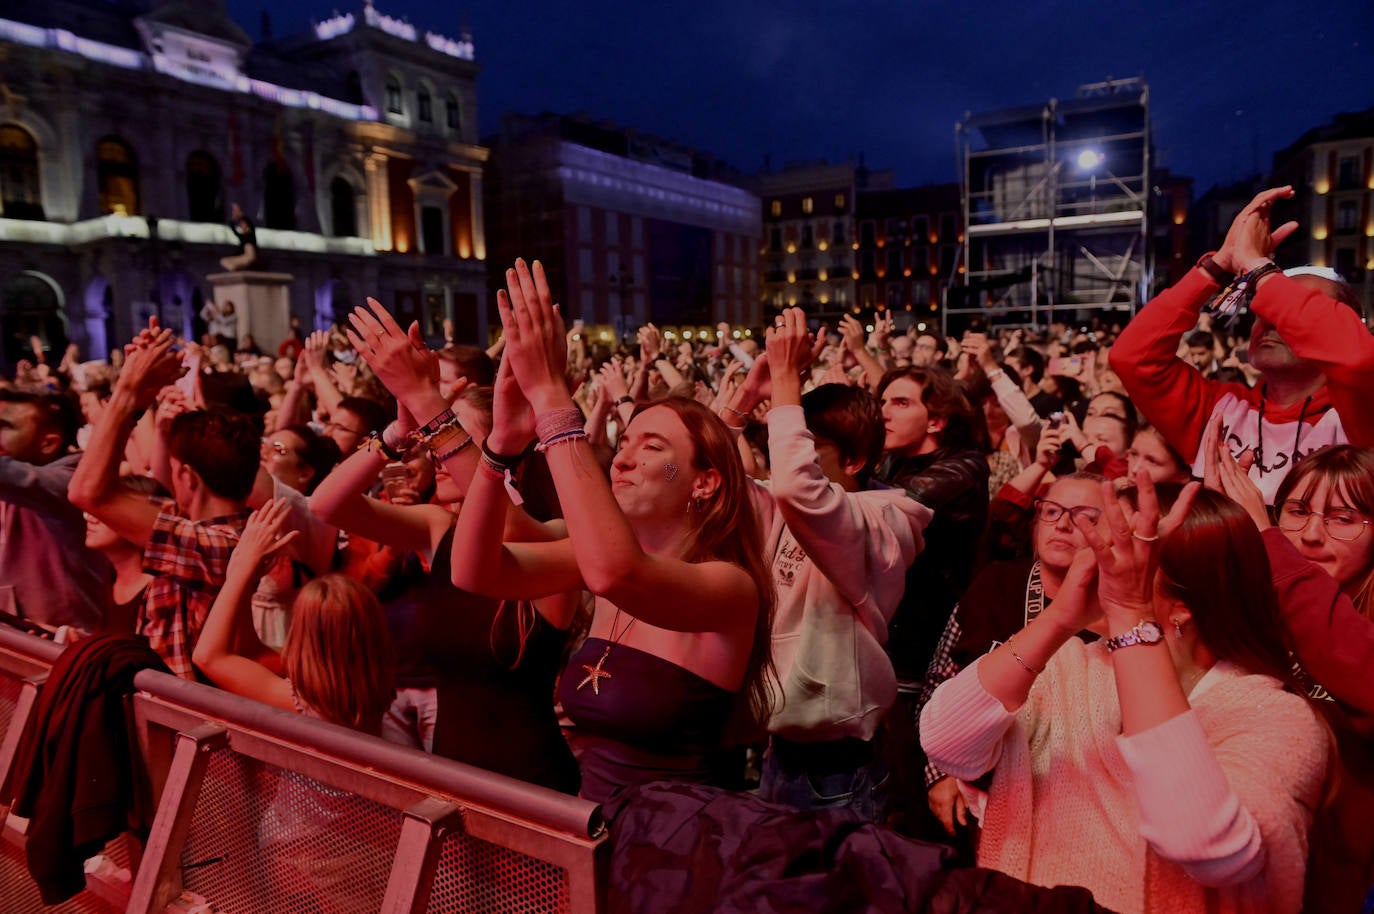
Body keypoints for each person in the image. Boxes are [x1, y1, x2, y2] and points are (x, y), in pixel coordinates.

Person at [427, 259, 773, 805]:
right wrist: (501, 443)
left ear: (705, 483)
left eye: (652, 447)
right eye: (625, 442)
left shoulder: (730, 587)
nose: (623, 458)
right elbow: (474, 570)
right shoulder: (594, 558)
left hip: (675, 840)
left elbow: (615, 574)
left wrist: (551, 398)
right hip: (589, 826)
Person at [921, 476, 1329, 913]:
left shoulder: (1277, 717)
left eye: (1125, 555)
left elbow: (1201, 842)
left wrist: (1133, 615)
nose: (1100, 564)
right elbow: (946, 744)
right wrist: (1058, 618)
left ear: (1183, 603)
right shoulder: (1071, 668)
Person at [309, 365, 581, 791]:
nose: (436, 452)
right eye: (435, 439)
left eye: (452, 439)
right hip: (451, 772)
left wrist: (434, 412)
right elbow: (326, 505)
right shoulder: (438, 528)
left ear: (506, 446)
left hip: (531, 781)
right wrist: (395, 434)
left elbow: (506, 528)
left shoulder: (559, 536)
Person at [719, 308, 931, 820]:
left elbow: (797, 486)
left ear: (855, 461)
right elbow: (711, 478)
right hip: (779, 753)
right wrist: (749, 396)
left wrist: (789, 384)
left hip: (839, 771)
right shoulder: (786, 503)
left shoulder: (882, 522)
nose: (789, 461)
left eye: (811, 450)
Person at [1111, 186, 1374, 503]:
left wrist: (1259, 268)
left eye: (1295, 309)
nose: (1270, 317)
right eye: (1265, 307)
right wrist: (1219, 265)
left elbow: (1358, 359)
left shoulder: (1357, 413)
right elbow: (1133, 357)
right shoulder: (1218, 409)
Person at [1208, 439, 1374, 913]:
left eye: (1343, 519)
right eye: (1296, 511)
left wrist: (1272, 546)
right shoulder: (1252, 601)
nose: (1311, 534)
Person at [918, 473, 1107, 844]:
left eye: (1084, 516)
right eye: (1052, 511)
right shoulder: (996, 582)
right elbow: (941, 676)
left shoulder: (1116, 608)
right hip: (981, 795)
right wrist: (937, 773)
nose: (1063, 524)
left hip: (1077, 808)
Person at [70, 320, 259, 678]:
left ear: (186, 476)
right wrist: (142, 393)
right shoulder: (197, 525)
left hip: (189, 726)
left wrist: (127, 390)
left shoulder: (221, 546)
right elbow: (110, 483)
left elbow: (87, 491)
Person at [192, 498, 396, 733]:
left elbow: (207, 657)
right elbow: (252, 655)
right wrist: (245, 583)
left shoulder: (309, 706)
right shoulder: (364, 694)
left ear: (303, 635)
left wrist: (240, 572)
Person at [0, 388, 111, 631]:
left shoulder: (70, 480)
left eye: (5, 427)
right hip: (21, 638)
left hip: (66, 645)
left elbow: (16, 477)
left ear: (48, 443)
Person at [220, 202, 258, 272]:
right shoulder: (242, 237)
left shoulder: (251, 234)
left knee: (248, 249)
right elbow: (234, 231)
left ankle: (237, 271)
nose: (242, 226)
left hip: (250, 255)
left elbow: (250, 224)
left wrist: (240, 214)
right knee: (224, 261)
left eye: (244, 224)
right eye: (241, 224)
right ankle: (235, 270)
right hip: (244, 256)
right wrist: (234, 218)